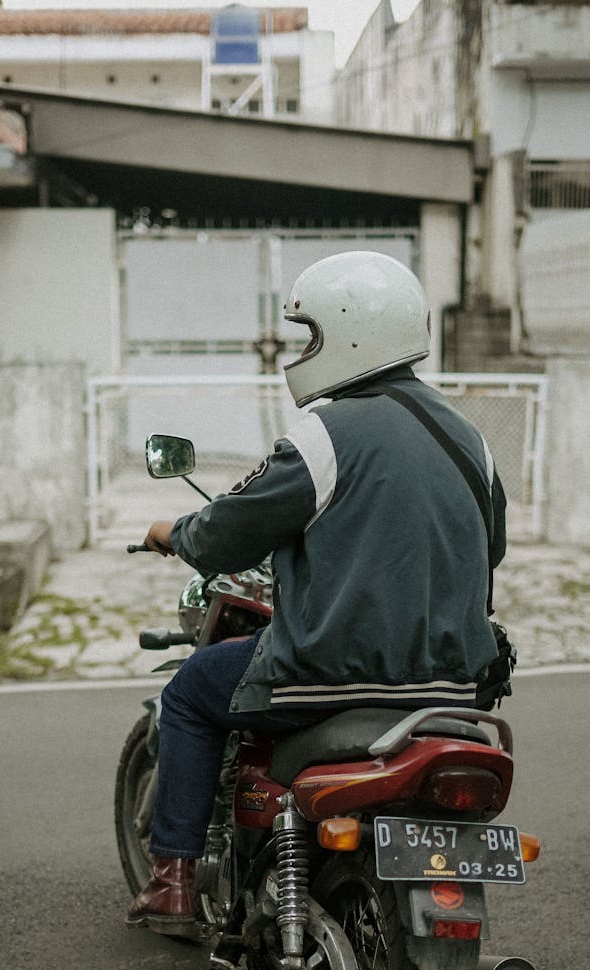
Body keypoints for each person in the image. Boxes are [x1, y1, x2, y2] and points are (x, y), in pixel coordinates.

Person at [126, 250, 507, 934]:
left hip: (328, 677)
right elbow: (491, 549)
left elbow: (228, 532)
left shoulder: (325, 435)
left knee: (188, 693)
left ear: (348, 333)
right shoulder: (470, 440)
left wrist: (173, 531)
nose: (302, 351)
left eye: (310, 335)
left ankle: (173, 880)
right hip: (455, 688)